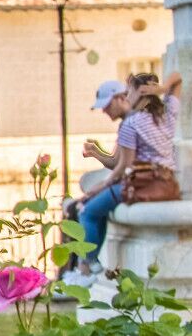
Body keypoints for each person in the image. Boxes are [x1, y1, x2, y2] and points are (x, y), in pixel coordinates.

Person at [76, 72, 183, 271]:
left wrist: (99, 187)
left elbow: (123, 166)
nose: (127, 95)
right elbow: (178, 78)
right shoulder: (167, 116)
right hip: (167, 184)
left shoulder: (131, 124)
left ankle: (87, 267)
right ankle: (89, 265)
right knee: (97, 206)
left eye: (130, 91)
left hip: (142, 184)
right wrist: (163, 88)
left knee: (87, 211)